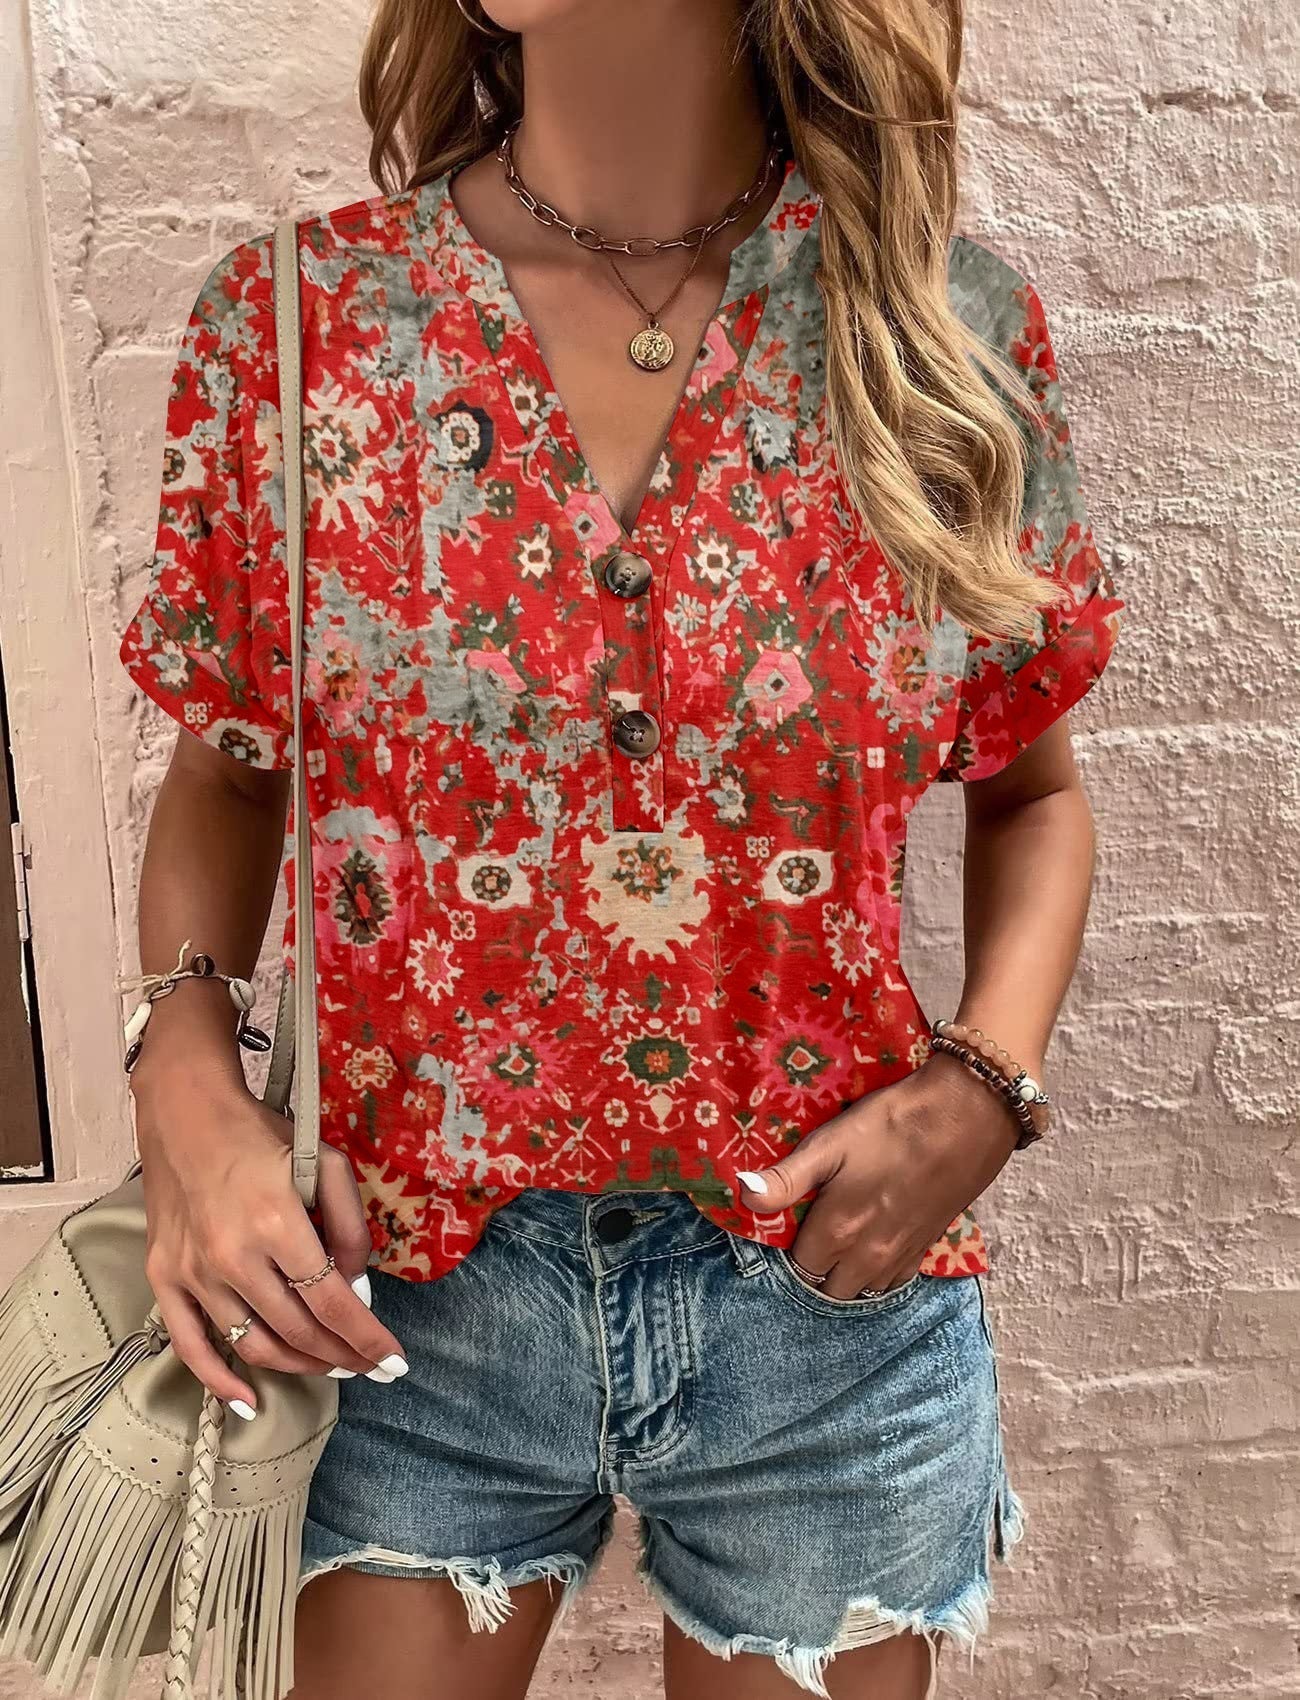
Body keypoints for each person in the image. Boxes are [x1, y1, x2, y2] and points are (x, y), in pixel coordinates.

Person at [117, 1, 1124, 1695]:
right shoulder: (299, 328)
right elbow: (228, 775)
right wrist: (189, 1090)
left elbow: (1030, 794)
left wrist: (983, 1090)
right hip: (395, 1296)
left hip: (826, 1298)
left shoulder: (937, 336)